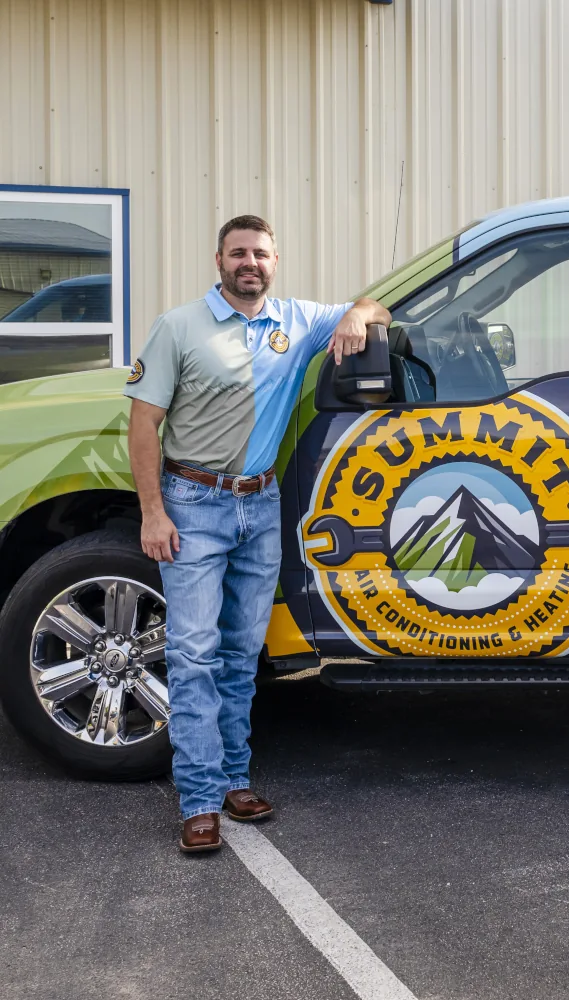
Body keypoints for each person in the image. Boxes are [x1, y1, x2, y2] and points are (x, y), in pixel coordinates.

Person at [125, 215, 390, 853]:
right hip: (193, 505)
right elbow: (142, 425)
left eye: (261, 254)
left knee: (243, 657)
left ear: (275, 261)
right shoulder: (179, 327)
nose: (251, 263)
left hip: (259, 506)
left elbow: (380, 305)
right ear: (219, 259)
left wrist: (357, 314)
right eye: (239, 252)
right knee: (193, 658)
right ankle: (196, 800)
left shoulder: (296, 321)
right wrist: (153, 512)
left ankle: (234, 780)